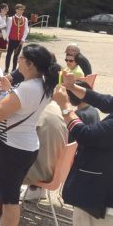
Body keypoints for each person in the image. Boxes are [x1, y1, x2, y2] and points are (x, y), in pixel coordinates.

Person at [0, 43, 59, 226]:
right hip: (26, 145)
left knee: (10, 200)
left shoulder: (27, 88)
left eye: (20, 58)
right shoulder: (44, 85)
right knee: (11, 192)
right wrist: (10, 90)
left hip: (13, 148)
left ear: (30, 64)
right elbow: (23, 107)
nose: (17, 61)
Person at [0, 101, 68, 213]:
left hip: (38, 171)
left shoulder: (34, 112)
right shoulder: (56, 107)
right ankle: (35, 190)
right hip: (55, 170)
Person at [52, 73, 113, 224]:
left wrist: (66, 108)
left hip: (100, 198)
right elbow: (105, 101)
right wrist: (73, 87)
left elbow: (87, 135)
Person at [4, 4, 29, 73]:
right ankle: (6, 68)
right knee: (9, 54)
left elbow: (26, 30)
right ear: (16, 10)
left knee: (16, 55)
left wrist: (23, 39)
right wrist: (7, 39)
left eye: (22, 10)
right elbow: (8, 29)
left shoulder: (25, 19)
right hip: (12, 39)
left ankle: (14, 69)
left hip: (19, 40)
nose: (21, 11)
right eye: (20, 9)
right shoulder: (11, 18)